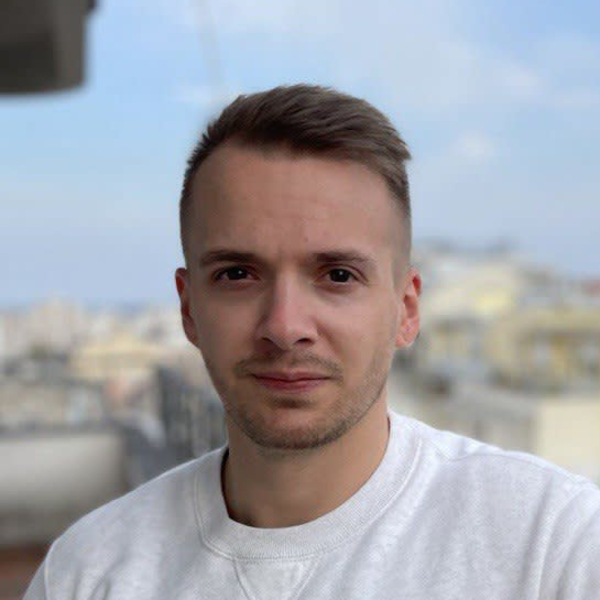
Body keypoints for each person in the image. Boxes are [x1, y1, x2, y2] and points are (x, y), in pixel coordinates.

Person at [24, 84, 600, 599]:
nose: (285, 325)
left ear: (406, 310)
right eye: (237, 274)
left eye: (338, 276)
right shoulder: (86, 573)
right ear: (188, 307)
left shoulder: (555, 547)